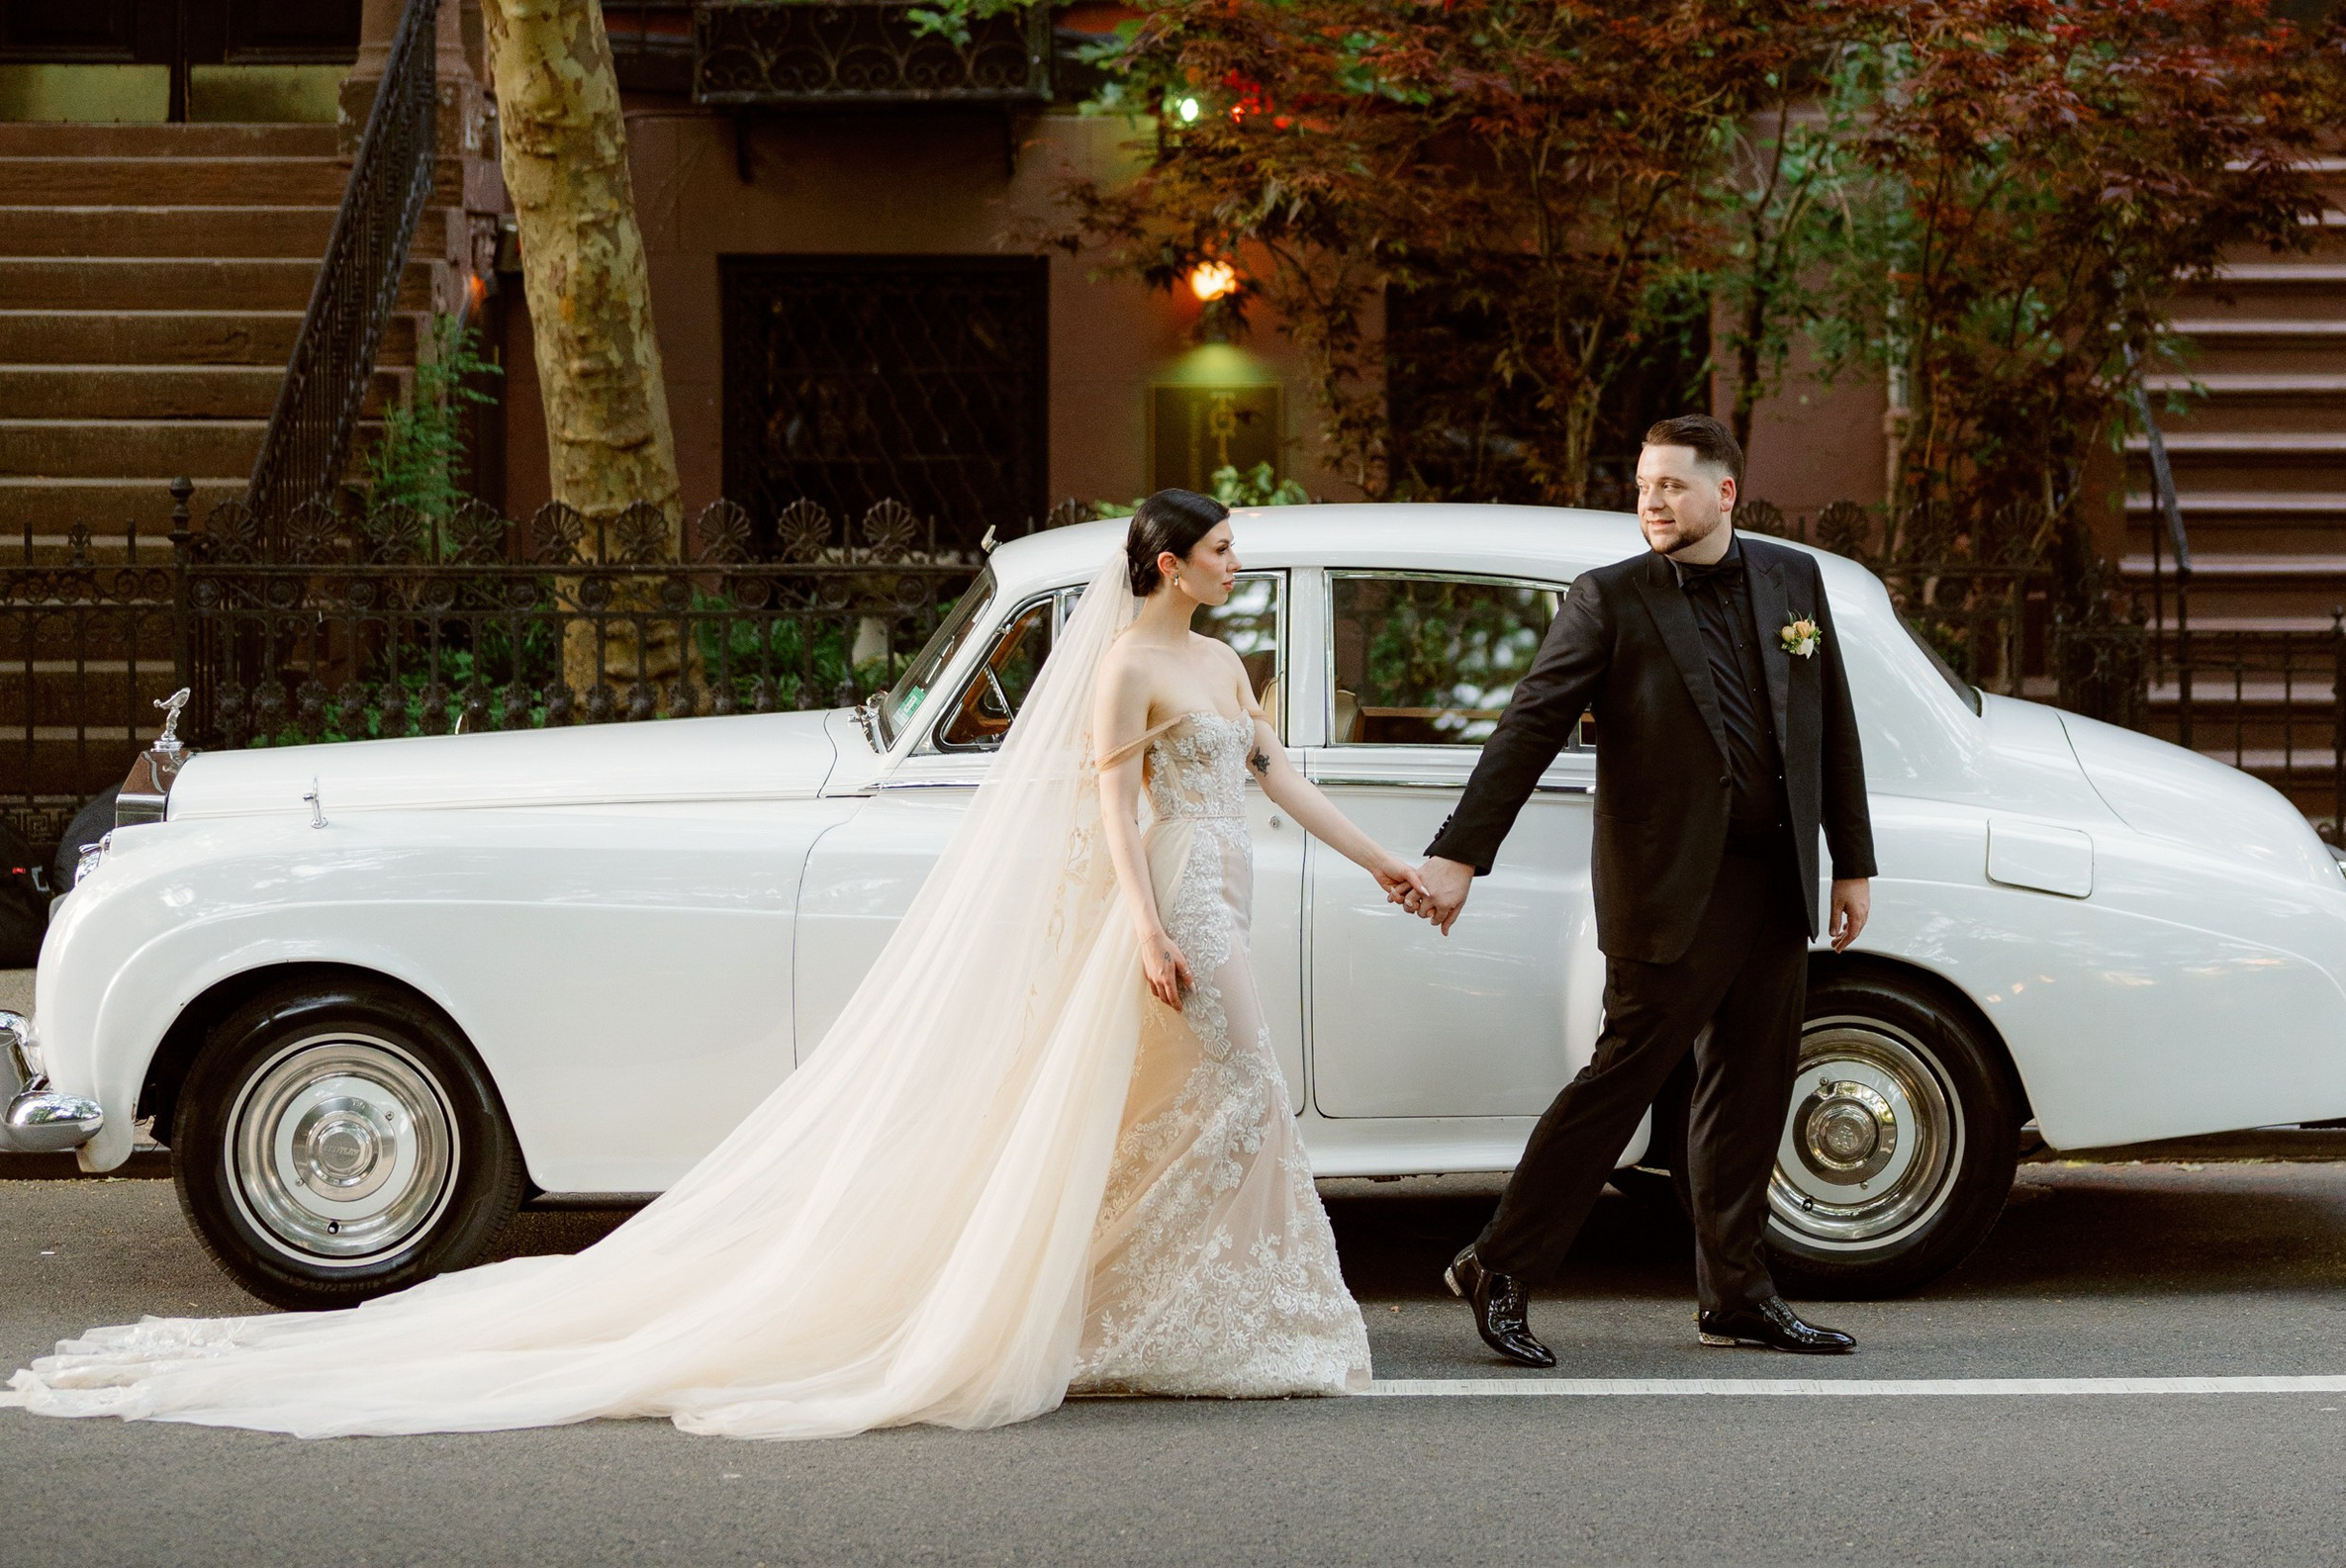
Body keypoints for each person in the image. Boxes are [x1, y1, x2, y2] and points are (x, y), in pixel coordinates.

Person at [5, 493, 1435, 1438]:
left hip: (1228, 877)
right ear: (1171, 562)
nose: (1238, 562)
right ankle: (1231, 1313)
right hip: (1185, 897)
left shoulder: (1227, 665)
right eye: (1226, 547)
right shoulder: (1122, 664)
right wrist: (1141, 919)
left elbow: (1272, 777)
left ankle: (1206, 1308)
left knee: (1214, 1099)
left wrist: (1389, 866)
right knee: (1229, 1090)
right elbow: (1111, 807)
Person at [1413, 415, 1876, 1370]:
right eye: (1642, 486)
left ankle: (1738, 1298)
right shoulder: (1610, 598)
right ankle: (1497, 1265)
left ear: (1726, 494)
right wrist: (1462, 853)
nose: (1651, 502)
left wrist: (1853, 860)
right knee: (1618, 1084)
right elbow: (1529, 726)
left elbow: (1829, 725)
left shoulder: (1796, 582)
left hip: (1775, 881)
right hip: (1669, 887)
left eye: (1669, 485)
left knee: (1749, 1094)